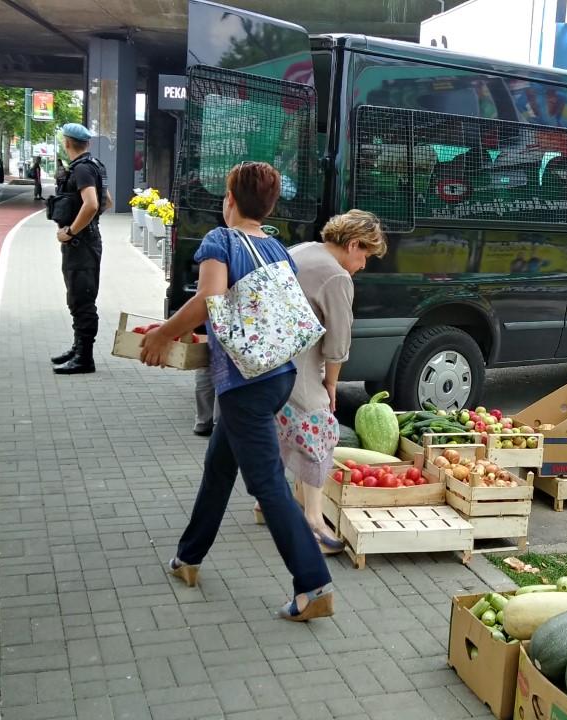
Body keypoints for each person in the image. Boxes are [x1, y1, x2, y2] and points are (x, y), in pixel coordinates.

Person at [139, 161, 333, 622]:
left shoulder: (220, 241)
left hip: (247, 383)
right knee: (219, 467)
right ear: (267, 205)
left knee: (267, 482)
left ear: (229, 200)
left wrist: (163, 333)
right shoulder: (278, 249)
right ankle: (189, 558)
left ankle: (313, 584)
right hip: (279, 373)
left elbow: (210, 302)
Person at [276, 210, 387, 553]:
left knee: (281, 430)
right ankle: (313, 521)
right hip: (302, 366)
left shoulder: (302, 249)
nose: (364, 264)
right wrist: (331, 386)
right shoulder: (338, 277)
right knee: (319, 434)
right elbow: (337, 345)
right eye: (365, 255)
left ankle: (268, 505)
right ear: (353, 244)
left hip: (270, 362)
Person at [49, 123, 111, 375]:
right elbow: (107, 201)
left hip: (80, 243)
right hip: (87, 240)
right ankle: (78, 348)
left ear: (66, 142)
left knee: (82, 299)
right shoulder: (94, 165)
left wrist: (73, 230)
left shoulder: (82, 169)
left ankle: (84, 358)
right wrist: (91, 225)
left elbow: (93, 204)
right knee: (78, 295)